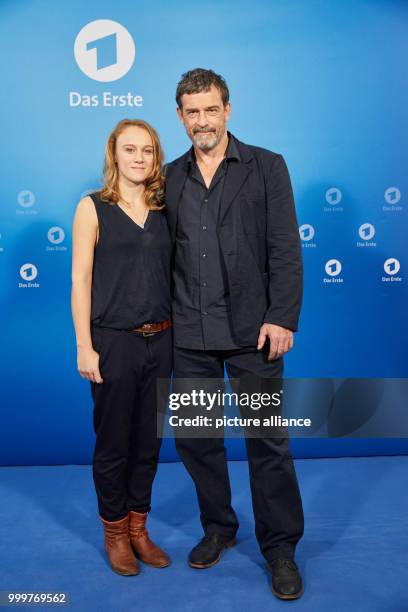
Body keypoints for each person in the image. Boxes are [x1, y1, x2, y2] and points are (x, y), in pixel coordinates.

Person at [165, 69, 304, 600]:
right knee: (197, 440)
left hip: (254, 333)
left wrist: (282, 316)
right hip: (189, 334)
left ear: (228, 109)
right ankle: (219, 528)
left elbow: (285, 249)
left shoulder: (267, 167)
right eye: (192, 111)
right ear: (180, 116)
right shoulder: (170, 177)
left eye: (211, 109)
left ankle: (281, 550)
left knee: (267, 441)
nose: (202, 120)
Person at [71, 119, 172, 576]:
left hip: (163, 341)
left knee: (148, 444)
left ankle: (138, 530)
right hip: (112, 343)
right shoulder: (92, 207)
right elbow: (80, 281)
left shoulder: (166, 208)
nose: (138, 157)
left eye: (147, 150)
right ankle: (115, 535)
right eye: (129, 149)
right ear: (114, 155)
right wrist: (84, 346)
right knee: (113, 444)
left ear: (156, 158)